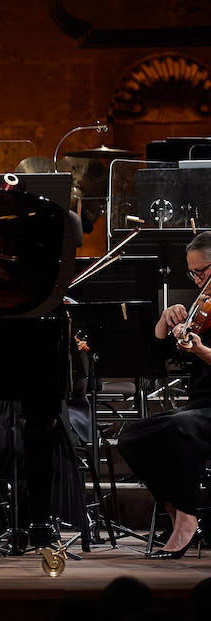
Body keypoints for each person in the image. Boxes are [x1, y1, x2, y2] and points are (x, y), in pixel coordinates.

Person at [118, 231, 211, 559]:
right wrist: (163, 322)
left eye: (202, 272)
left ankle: (187, 517)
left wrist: (201, 351)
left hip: (205, 414)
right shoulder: (203, 308)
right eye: (193, 273)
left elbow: (201, 353)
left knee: (180, 429)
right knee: (131, 437)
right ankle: (177, 514)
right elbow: (155, 359)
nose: (198, 280)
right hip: (201, 407)